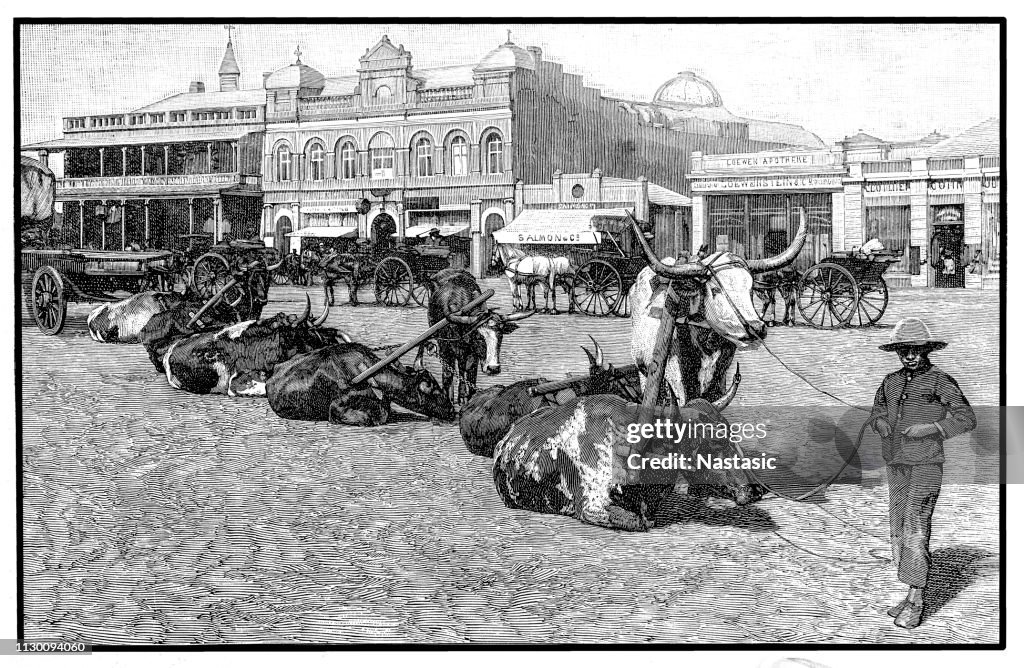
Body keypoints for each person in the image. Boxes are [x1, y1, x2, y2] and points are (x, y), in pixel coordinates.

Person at [870, 318, 976, 629]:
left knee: (915, 528)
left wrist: (932, 428)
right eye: (903, 350)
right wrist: (880, 423)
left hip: (926, 464)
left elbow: (966, 418)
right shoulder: (890, 381)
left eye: (915, 350)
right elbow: (877, 410)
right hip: (896, 464)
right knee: (899, 526)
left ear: (927, 350)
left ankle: (916, 600)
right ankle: (909, 592)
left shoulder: (940, 381)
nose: (909, 356)